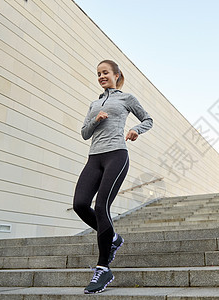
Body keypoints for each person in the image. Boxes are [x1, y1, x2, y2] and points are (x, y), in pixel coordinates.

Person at [72, 59, 153, 294]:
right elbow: (84, 134)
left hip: (116, 155)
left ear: (116, 75)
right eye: (98, 73)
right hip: (94, 158)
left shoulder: (126, 98)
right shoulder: (94, 103)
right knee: (79, 204)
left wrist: (135, 130)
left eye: (105, 72)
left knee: (101, 207)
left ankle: (103, 267)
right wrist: (96, 119)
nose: (101, 76)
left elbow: (148, 119)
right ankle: (113, 237)